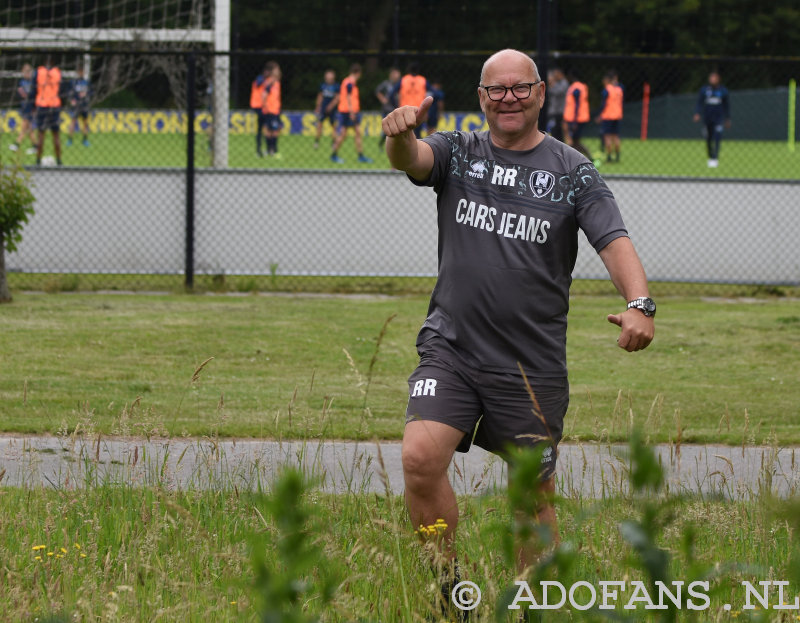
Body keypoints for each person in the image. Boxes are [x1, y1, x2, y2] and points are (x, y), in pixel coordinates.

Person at [382, 48, 655, 620]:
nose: (508, 97)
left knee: (532, 496)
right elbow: (411, 160)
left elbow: (614, 239)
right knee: (419, 458)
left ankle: (534, 603)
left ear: (539, 94)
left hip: (531, 366)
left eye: (520, 88)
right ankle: (448, 589)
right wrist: (400, 135)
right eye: (496, 89)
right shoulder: (460, 152)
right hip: (450, 349)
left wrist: (639, 304)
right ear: (481, 98)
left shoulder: (572, 170)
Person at [330, 63, 372, 164]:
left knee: (357, 132)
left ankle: (360, 155)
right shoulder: (350, 83)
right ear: (358, 73)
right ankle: (334, 154)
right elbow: (348, 98)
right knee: (344, 134)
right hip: (348, 111)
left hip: (347, 111)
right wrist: (352, 112)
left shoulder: (347, 82)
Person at [693, 70, 730, 168]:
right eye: (711, 78)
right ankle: (710, 156)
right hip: (707, 118)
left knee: (718, 136)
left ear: (718, 79)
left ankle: (715, 158)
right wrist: (697, 113)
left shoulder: (723, 91)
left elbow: (727, 106)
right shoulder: (705, 90)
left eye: (714, 78)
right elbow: (699, 103)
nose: (712, 80)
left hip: (718, 118)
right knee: (708, 138)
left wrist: (727, 118)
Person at [31, 57, 63, 166]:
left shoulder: (39, 72)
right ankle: (59, 160)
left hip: (42, 104)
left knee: (41, 134)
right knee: (56, 135)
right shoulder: (57, 72)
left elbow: (33, 89)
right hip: (54, 105)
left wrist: (32, 106)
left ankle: (38, 160)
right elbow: (62, 89)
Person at [393, 63, 428, 137]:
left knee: (405, 133)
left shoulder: (403, 80)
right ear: (418, 70)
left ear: (408, 70)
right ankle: (418, 147)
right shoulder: (423, 80)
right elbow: (436, 93)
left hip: (405, 110)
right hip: (418, 110)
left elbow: (391, 94)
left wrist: (396, 106)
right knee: (418, 134)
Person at [9, 63, 38, 155]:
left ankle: (17, 144)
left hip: (30, 107)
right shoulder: (21, 82)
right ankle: (36, 146)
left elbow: (34, 95)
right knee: (28, 128)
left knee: (25, 126)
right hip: (24, 106)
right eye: (25, 71)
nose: (27, 73)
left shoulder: (33, 82)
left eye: (29, 71)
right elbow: (20, 93)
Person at [562, 70, 592, 159]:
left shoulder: (576, 88)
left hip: (576, 119)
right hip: (579, 118)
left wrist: (575, 121)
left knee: (574, 142)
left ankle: (587, 158)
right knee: (575, 142)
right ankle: (587, 158)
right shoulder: (581, 87)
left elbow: (577, 105)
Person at [595, 70, 623, 162]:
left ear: (608, 79)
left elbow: (604, 104)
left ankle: (609, 157)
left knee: (607, 136)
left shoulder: (606, 90)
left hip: (608, 116)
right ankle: (618, 156)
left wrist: (600, 115)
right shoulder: (619, 89)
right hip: (617, 115)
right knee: (616, 136)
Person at [66, 65, 92, 147]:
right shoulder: (73, 82)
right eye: (79, 71)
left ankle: (85, 139)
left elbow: (91, 92)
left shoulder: (87, 82)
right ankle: (70, 139)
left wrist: (86, 94)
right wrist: (72, 100)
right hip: (76, 105)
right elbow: (70, 92)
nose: (81, 73)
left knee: (85, 122)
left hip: (84, 104)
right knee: (73, 121)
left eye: (82, 71)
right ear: (77, 72)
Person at [313, 69, 339, 149]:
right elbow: (320, 96)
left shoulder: (336, 86)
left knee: (333, 126)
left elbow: (338, 98)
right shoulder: (323, 86)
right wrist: (318, 106)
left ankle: (334, 143)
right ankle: (316, 142)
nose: (328, 78)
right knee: (319, 125)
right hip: (323, 109)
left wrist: (331, 106)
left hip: (333, 110)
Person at [375, 67, 400, 146]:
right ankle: (382, 143)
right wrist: (382, 99)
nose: (397, 75)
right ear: (392, 75)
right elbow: (377, 91)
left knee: (395, 127)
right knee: (387, 127)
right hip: (387, 108)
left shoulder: (399, 84)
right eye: (396, 74)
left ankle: (390, 143)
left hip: (395, 108)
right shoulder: (386, 84)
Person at [261, 62, 282, 158]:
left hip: (276, 110)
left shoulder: (276, 83)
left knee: (275, 129)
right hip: (270, 111)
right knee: (271, 130)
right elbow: (264, 95)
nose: (278, 72)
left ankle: (271, 149)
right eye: (276, 70)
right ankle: (271, 150)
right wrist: (266, 107)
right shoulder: (270, 83)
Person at [250, 64, 270, 157]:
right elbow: (258, 84)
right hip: (259, 106)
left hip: (263, 106)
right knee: (262, 128)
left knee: (263, 128)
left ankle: (264, 149)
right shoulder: (261, 79)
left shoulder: (267, 82)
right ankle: (260, 149)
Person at [545, 67, 568, 142]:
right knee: (553, 131)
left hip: (559, 112)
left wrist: (551, 83)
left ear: (559, 73)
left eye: (555, 73)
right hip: (553, 112)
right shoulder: (557, 83)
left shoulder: (564, 83)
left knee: (557, 132)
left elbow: (557, 92)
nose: (554, 75)